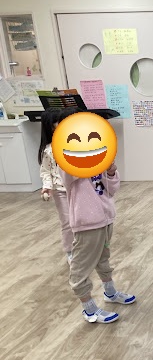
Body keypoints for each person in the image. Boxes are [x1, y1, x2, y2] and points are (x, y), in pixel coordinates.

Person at [57, 107, 136, 323]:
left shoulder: (99, 156)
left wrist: (110, 171)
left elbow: (112, 188)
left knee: (103, 258)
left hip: (106, 218)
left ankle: (110, 292)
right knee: (81, 266)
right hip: (87, 223)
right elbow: (68, 174)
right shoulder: (67, 159)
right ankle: (89, 309)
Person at [38, 107, 74, 264]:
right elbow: (46, 171)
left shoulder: (72, 142)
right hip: (60, 191)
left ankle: (83, 248)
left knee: (80, 220)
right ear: (51, 126)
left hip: (76, 189)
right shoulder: (48, 150)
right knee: (67, 222)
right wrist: (47, 186)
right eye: (57, 121)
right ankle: (70, 251)